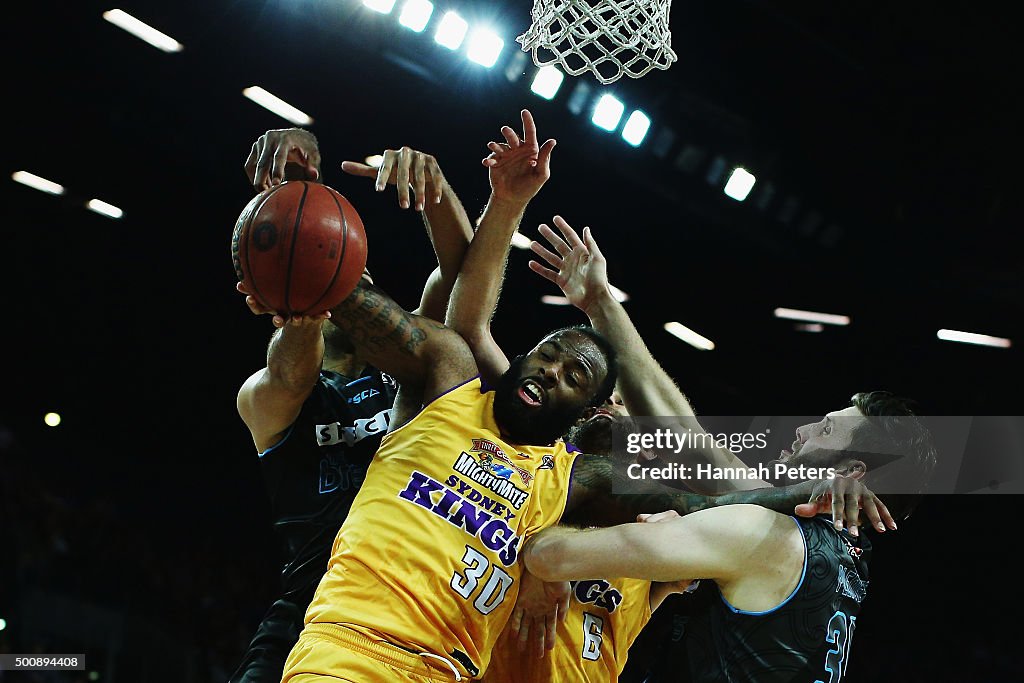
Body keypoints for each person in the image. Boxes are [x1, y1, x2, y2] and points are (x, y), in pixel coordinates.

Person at [277, 109, 889, 683]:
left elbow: (703, 480)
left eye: (583, 380)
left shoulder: (615, 502)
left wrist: (556, 556)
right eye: (550, 361)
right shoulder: (469, 407)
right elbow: (464, 321)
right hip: (356, 652)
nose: (612, 406)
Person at [519, 220, 936, 682]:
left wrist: (547, 524)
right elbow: (688, 440)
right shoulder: (840, 558)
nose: (800, 430)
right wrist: (600, 303)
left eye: (824, 429)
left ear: (852, 471)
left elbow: (545, 554)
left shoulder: (764, 535)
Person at [229, 128, 475, 683]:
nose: (347, 282)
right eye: (328, 262)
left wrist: (435, 191)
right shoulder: (266, 398)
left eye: (351, 269)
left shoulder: (412, 371)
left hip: (405, 618)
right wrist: (306, 302)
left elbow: (466, 277)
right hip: (307, 617)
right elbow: (292, 370)